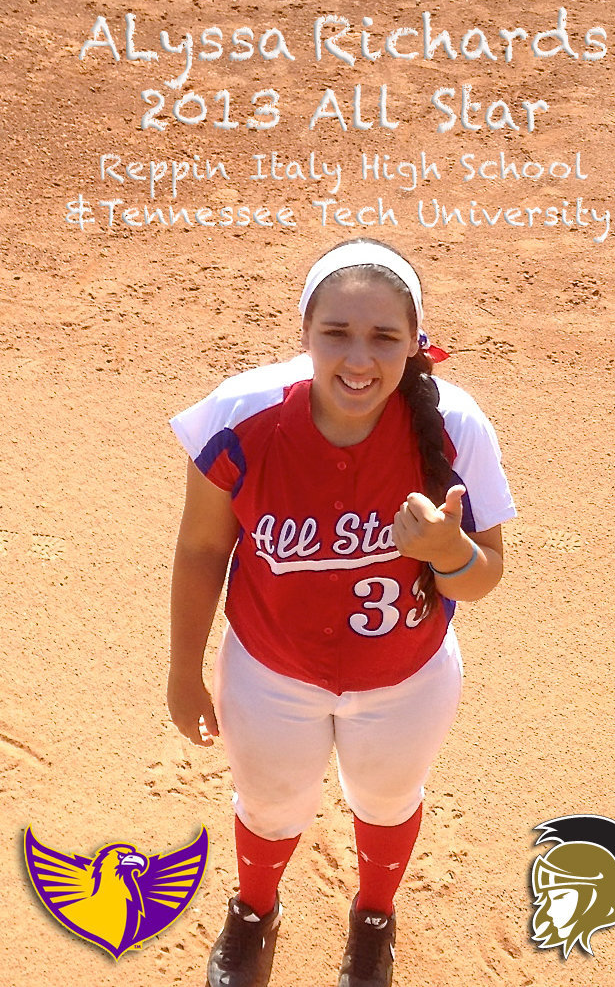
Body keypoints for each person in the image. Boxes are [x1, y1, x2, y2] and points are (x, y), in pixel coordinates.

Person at [167, 239, 517, 987]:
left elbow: (483, 579)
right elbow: (202, 548)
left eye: (384, 337)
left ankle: (374, 919)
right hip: (268, 670)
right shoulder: (242, 414)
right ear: (304, 334)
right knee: (267, 805)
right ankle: (254, 913)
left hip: (406, 677)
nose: (359, 359)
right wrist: (183, 672)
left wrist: (447, 551)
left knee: (387, 802)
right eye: (337, 333)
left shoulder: (456, 426)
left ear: (414, 344)